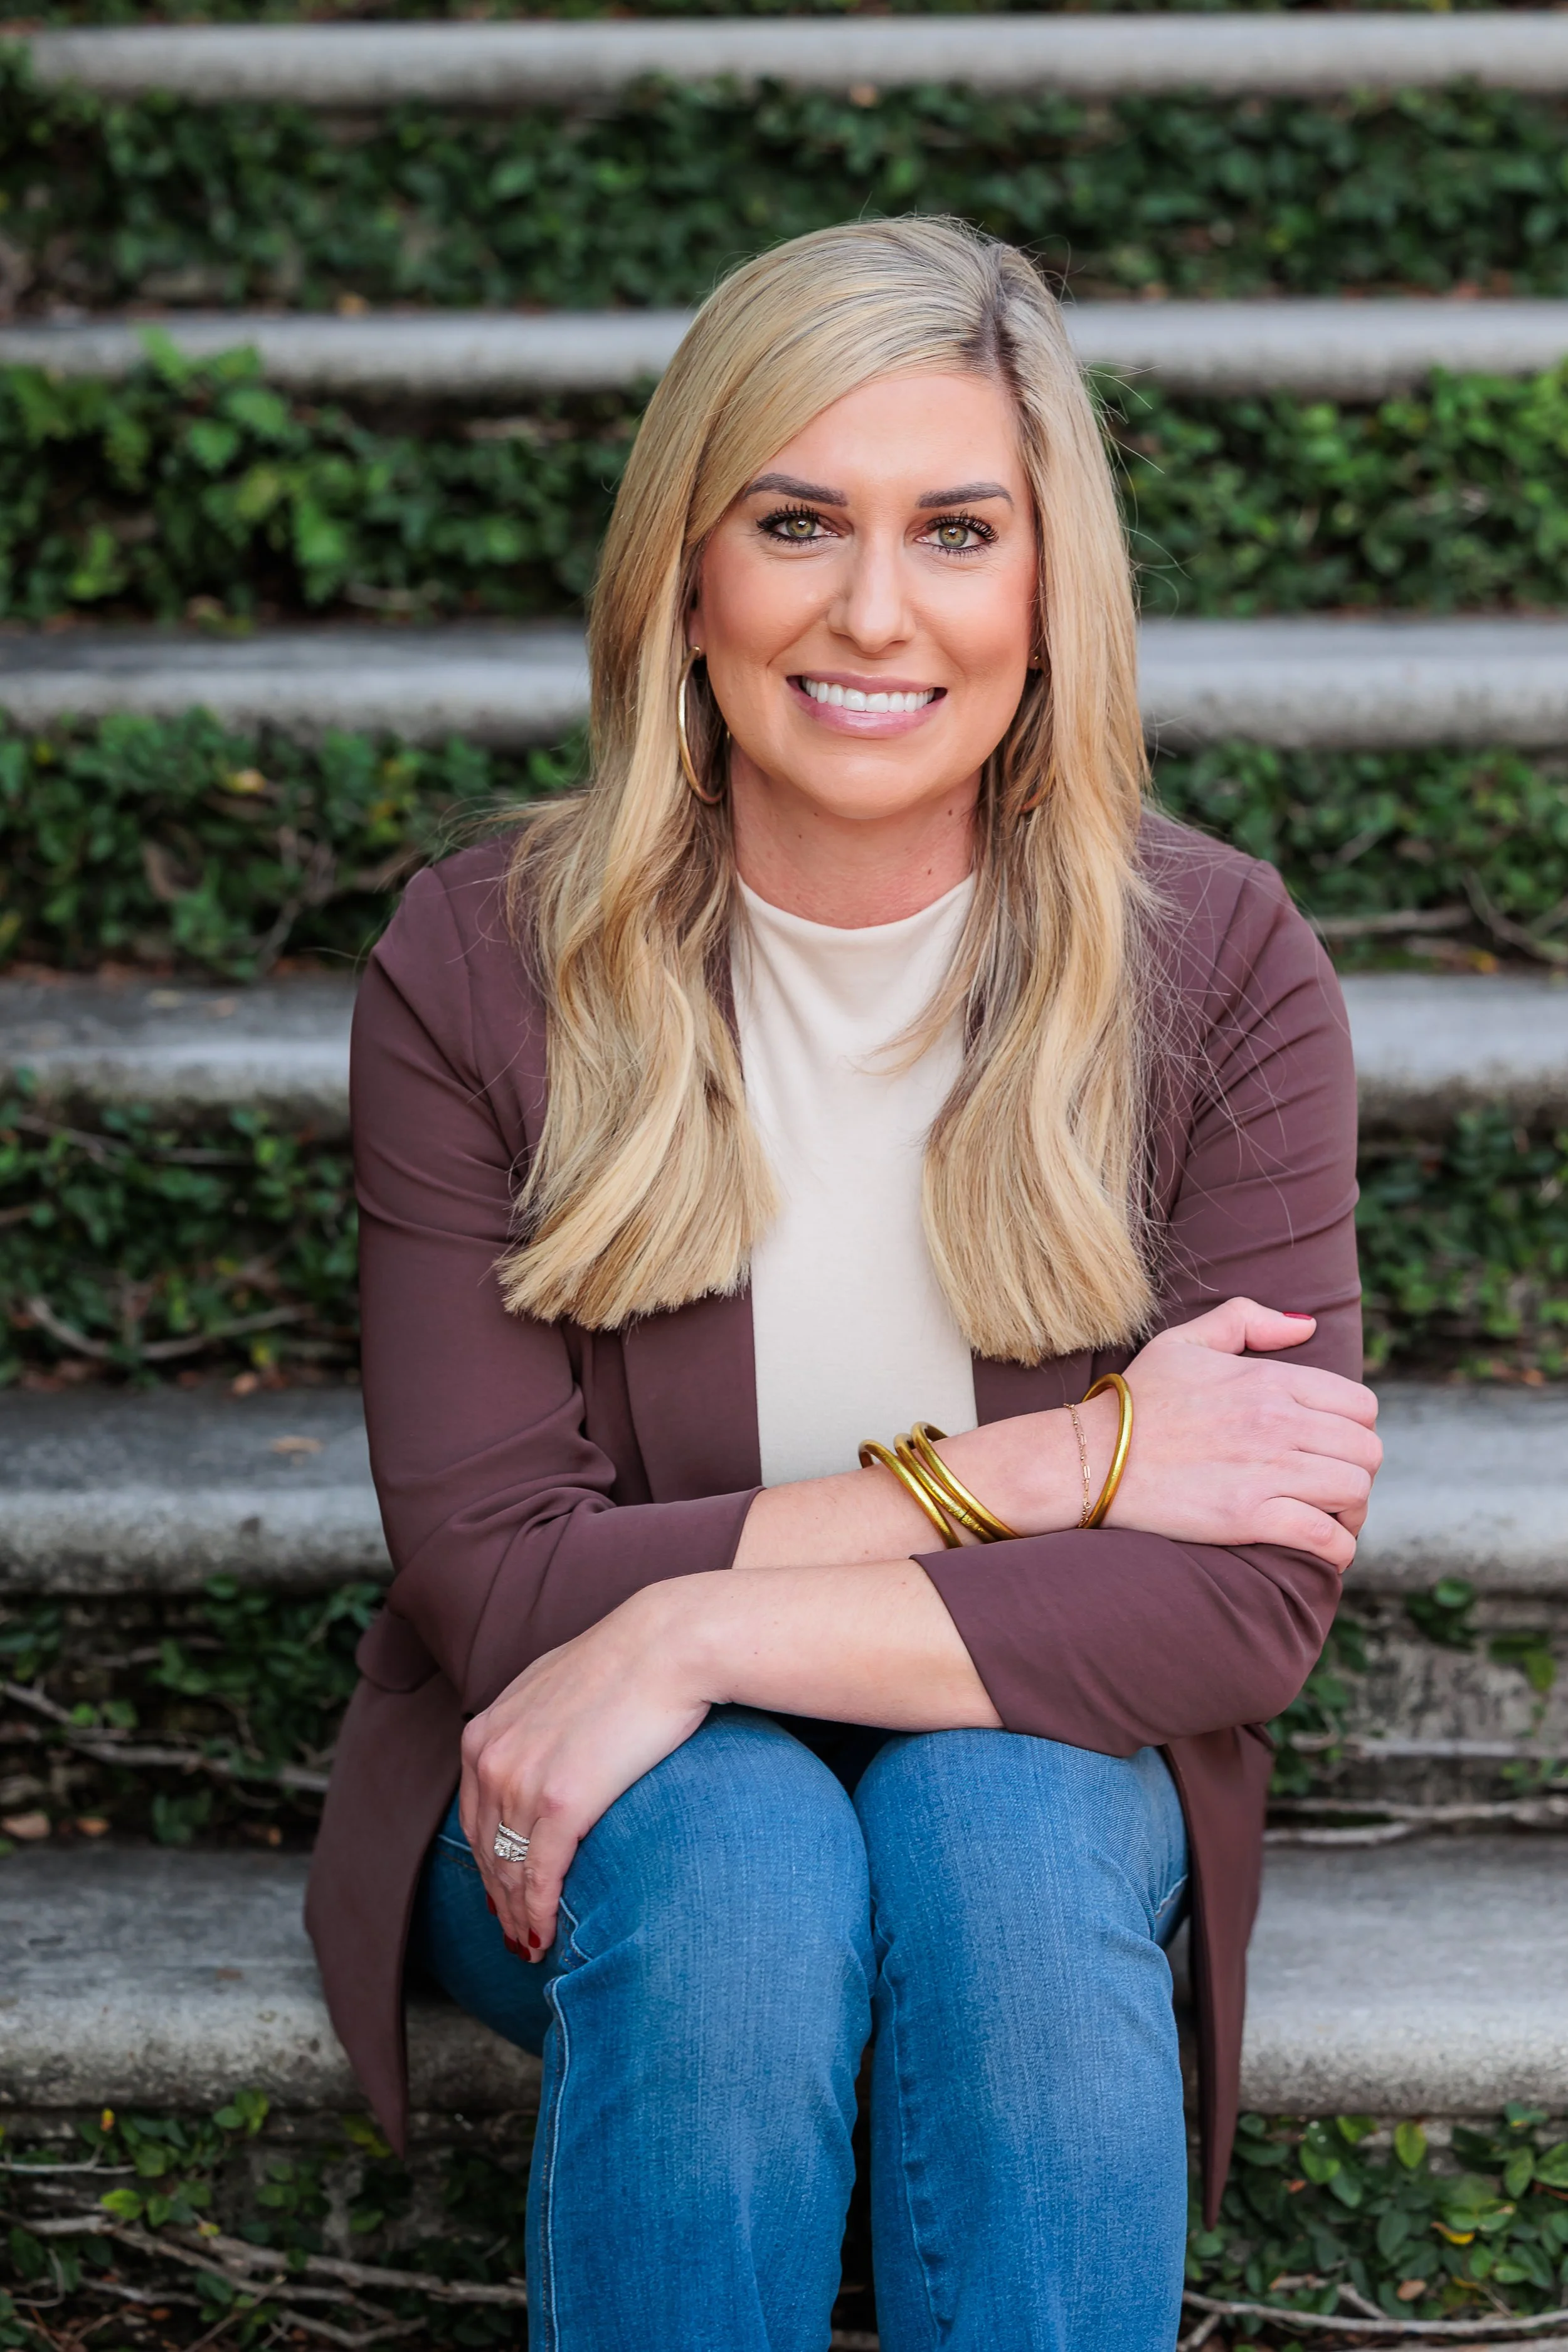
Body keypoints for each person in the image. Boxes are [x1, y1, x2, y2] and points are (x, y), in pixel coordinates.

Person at [307, 216, 1378, 2352]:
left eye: (954, 530)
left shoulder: (1215, 964)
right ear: (682, 573)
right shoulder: (484, 965)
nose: (873, 610)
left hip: (1021, 1749)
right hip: (591, 1785)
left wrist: (695, 1620)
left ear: (1044, 588)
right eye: (796, 520)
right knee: (731, 1859)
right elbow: (501, 1590)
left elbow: (1240, 1590)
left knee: (994, 1821)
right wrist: (1070, 1456)